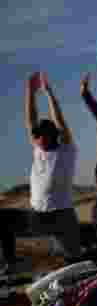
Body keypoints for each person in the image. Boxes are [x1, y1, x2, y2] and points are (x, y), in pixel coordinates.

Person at [0, 73, 82, 275]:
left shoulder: (66, 150)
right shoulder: (38, 149)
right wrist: (30, 92)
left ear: (52, 135)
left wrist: (49, 94)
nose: (35, 138)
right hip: (37, 216)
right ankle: (10, 263)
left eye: (39, 135)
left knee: (75, 264)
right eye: (35, 136)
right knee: (2, 219)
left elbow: (60, 121)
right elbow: (31, 119)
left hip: (62, 217)